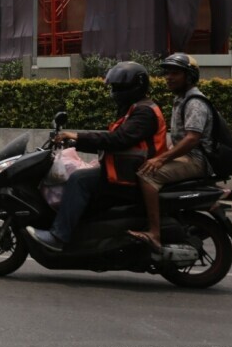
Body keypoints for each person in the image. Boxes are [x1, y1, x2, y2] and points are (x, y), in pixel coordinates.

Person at [26, 62, 167, 252]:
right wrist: (75, 143)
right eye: (114, 86)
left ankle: (59, 235)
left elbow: (119, 139)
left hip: (132, 175)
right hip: (125, 170)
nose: (115, 91)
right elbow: (114, 143)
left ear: (135, 86)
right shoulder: (134, 108)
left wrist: (78, 136)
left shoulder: (144, 112)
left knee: (78, 180)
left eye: (119, 86)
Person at [128, 53, 215, 252]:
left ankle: (155, 233)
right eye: (167, 73)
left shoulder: (194, 101)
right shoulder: (181, 99)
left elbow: (192, 138)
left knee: (147, 175)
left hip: (197, 160)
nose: (168, 77)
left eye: (175, 73)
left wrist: (161, 159)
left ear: (190, 76)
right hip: (188, 157)